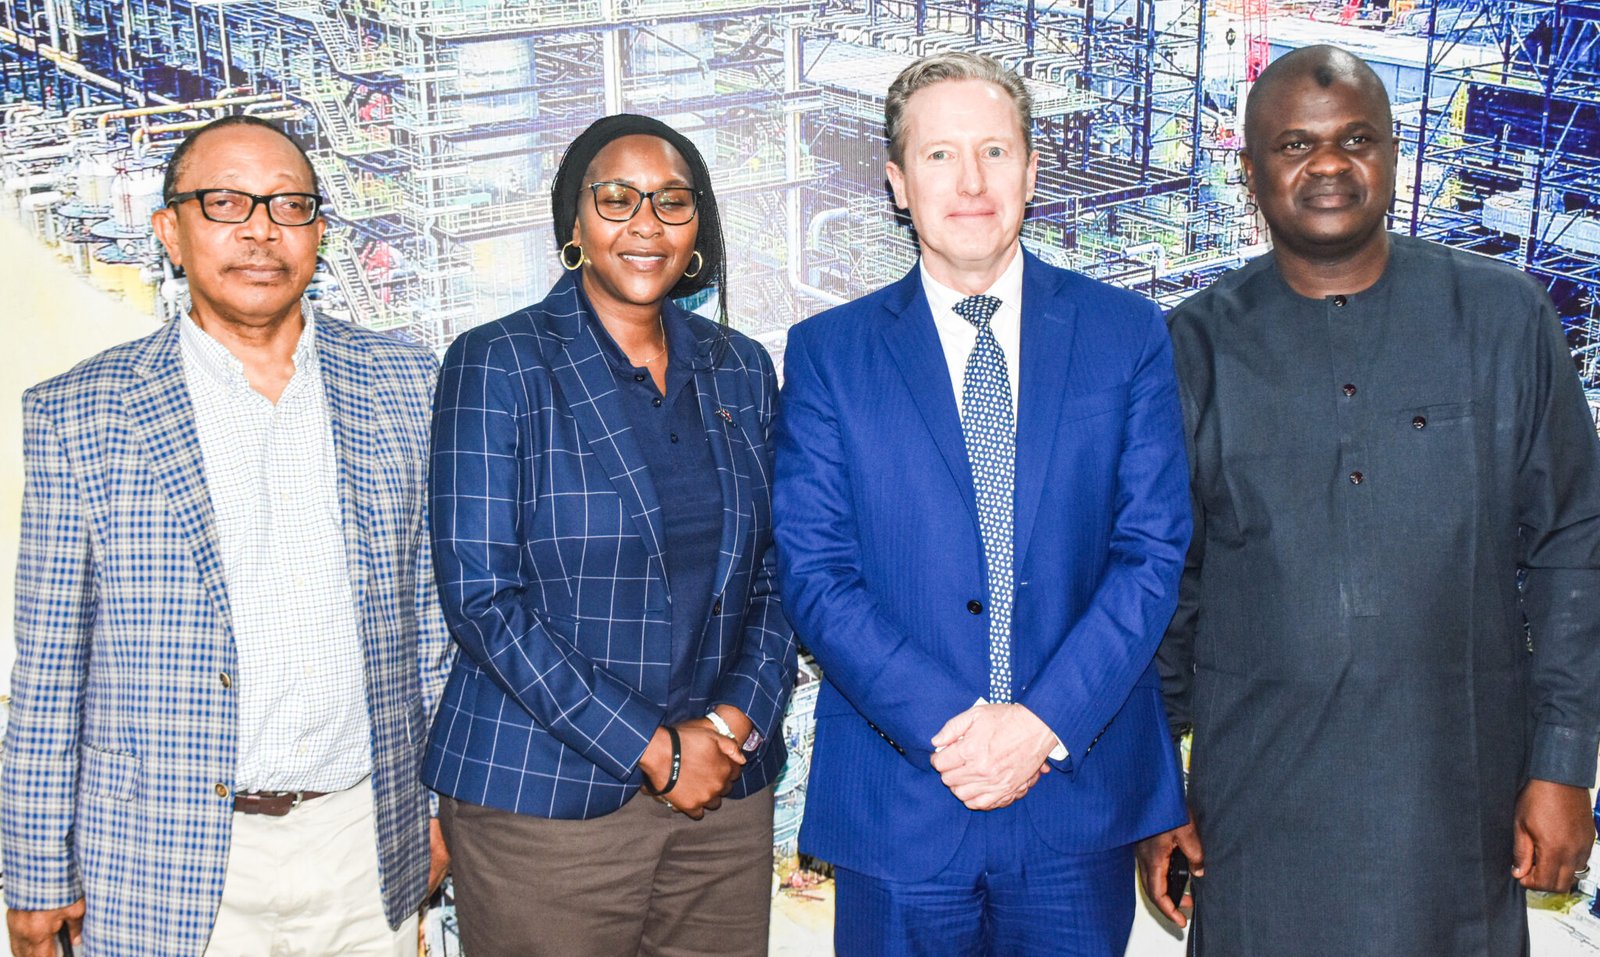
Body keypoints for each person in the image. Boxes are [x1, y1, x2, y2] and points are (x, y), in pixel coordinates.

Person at [1138, 44, 1600, 956]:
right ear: (1250, 170)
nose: (1328, 165)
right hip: (1257, 817)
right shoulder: (1192, 347)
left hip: (1456, 807)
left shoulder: (1503, 319)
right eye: (1294, 145)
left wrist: (1562, 763)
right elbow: (1162, 590)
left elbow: (1573, 547)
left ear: (1393, 151)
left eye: (1355, 139)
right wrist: (1156, 792)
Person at [3, 115, 451, 956]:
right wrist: (34, 873)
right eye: (225, 203)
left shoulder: (406, 383)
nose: (260, 230)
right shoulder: (77, 413)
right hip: (157, 859)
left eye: (288, 205)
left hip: (362, 844)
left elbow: (434, 621)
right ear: (170, 231)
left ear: (318, 232)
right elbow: (50, 666)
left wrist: (440, 809)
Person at [774, 52, 1191, 956]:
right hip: (901, 800)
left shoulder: (1126, 334)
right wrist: (959, 732)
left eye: (995, 152)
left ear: (1031, 172)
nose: (971, 182)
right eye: (940, 155)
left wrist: (1039, 725)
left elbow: (1152, 552)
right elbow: (816, 573)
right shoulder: (828, 355)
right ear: (897, 183)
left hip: (1076, 803)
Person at [423, 113, 796, 957]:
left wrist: (733, 725)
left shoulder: (742, 367)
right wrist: (654, 750)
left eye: (672, 201)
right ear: (576, 222)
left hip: (723, 801)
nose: (646, 224)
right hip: (542, 802)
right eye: (618, 199)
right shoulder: (498, 361)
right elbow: (482, 599)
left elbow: (780, 570)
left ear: (698, 226)